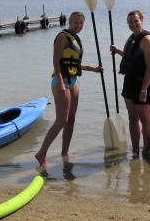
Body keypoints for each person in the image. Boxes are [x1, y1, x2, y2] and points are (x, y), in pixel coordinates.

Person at [35, 12, 104, 166]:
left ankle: (65, 152)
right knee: (62, 120)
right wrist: (60, 83)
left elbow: (74, 64)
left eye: (81, 23)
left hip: (74, 82)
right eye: (76, 23)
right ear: (70, 22)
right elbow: (56, 61)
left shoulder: (76, 40)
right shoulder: (63, 37)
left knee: (71, 119)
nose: (78, 26)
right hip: (62, 82)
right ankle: (41, 154)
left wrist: (94, 69)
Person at [109, 10, 150, 157]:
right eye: (130, 22)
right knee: (132, 118)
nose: (133, 24)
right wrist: (118, 51)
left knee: (145, 119)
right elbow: (132, 57)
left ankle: (146, 151)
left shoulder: (147, 39)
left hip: (143, 84)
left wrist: (144, 89)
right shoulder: (133, 38)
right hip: (129, 82)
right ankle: (135, 149)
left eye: (136, 21)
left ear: (142, 20)